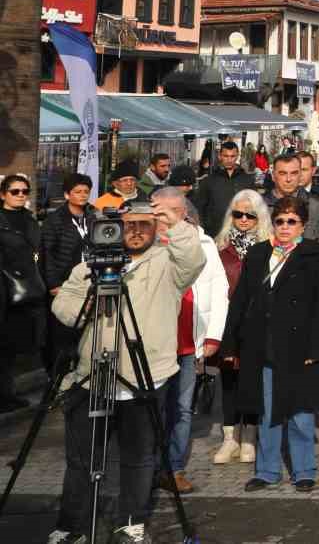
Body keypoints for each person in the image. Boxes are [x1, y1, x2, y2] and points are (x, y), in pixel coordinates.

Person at [50, 198, 204, 541]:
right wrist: (90, 301)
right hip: (92, 376)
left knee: (139, 458)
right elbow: (63, 302)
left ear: (155, 228)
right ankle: (71, 526)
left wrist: (173, 221)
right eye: (128, 225)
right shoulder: (93, 263)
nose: (135, 231)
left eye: (144, 224)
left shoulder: (168, 263)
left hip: (144, 376)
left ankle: (131, 523)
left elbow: (194, 258)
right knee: (82, 460)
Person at [219, 194, 319, 493]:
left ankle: (304, 469)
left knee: (300, 413)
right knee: (266, 411)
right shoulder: (258, 253)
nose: (284, 227)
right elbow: (240, 301)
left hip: (299, 345)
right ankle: (268, 471)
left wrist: (317, 348)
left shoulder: (315, 254)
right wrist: (230, 345)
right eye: (280, 221)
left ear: (302, 225)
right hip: (262, 343)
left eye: (291, 222)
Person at [149, 188, 229, 496]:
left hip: (186, 341)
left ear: (183, 213)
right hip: (155, 341)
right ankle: (149, 465)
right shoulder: (146, 241)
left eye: (168, 210)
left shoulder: (204, 243)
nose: (161, 216)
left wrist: (212, 334)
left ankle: (174, 467)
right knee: (152, 408)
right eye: (156, 209)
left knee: (182, 409)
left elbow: (218, 289)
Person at [211, 189, 271, 466]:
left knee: (253, 381)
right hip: (227, 322)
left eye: (250, 214)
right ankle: (229, 437)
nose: (244, 219)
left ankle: (249, 436)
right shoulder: (220, 247)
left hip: (256, 323)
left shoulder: (269, 246)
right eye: (238, 214)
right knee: (229, 381)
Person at [39, 173, 92, 372]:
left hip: (88, 282)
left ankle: (80, 373)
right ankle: (57, 377)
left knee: (84, 333)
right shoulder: (55, 220)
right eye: (77, 192)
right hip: (63, 283)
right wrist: (53, 284)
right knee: (61, 334)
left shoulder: (93, 215)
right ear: (67, 195)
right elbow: (46, 253)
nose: (83, 195)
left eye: (86, 191)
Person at [0, 174, 43, 413]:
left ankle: (7, 393)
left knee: (12, 346)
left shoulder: (30, 220)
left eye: (24, 191)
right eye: (14, 191)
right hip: (4, 289)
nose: (20, 195)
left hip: (23, 291)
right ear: (3, 194)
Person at [267, 152, 319, 252]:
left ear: (300, 175)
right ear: (273, 176)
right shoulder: (259, 206)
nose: (288, 179)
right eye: (283, 173)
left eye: (294, 173)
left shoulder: (316, 208)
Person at [194, 139, 252, 234]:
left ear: (237, 156)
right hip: (214, 232)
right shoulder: (209, 180)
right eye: (226, 156)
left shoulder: (247, 180)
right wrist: (205, 228)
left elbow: (254, 207)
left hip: (241, 232)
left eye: (232, 156)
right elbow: (200, 207)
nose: (229, 160)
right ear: (220, 156)